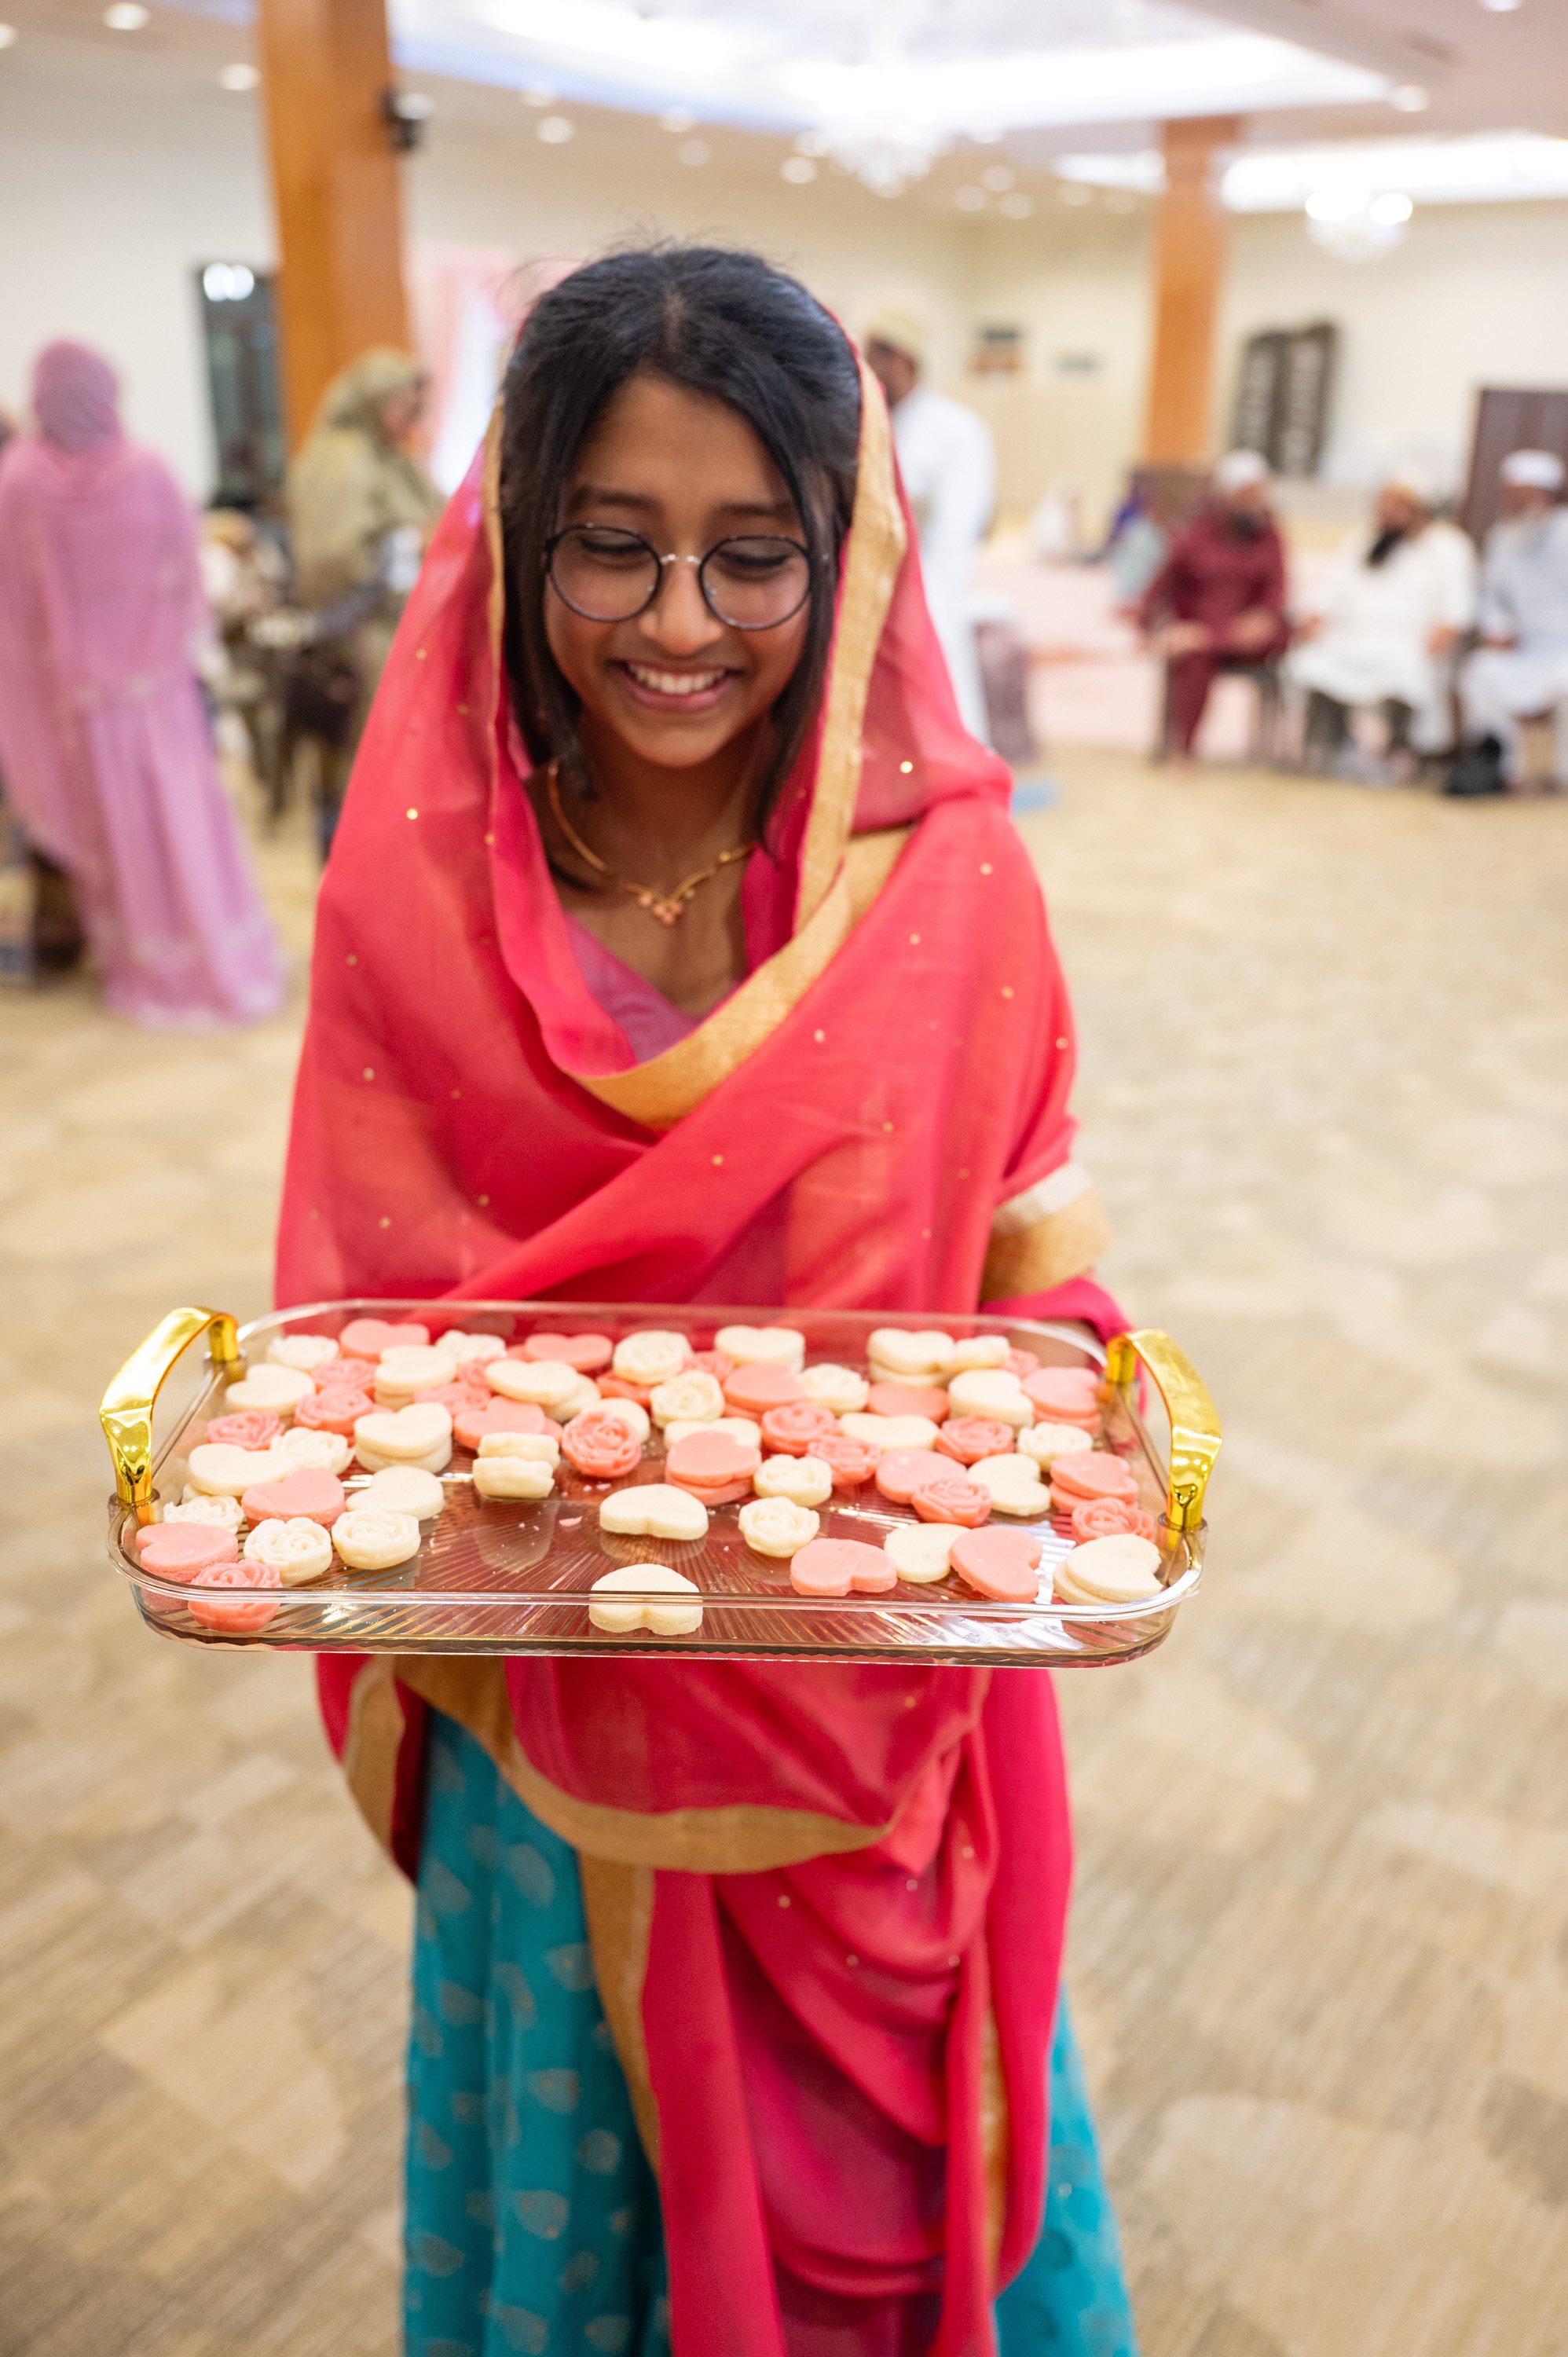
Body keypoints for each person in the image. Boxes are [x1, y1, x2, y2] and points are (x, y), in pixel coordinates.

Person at [278, 245, 1138, 2357]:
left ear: (846, 564)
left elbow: (1027, 1283)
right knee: (579, 2202)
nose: (677, 624)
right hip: (552, 1694)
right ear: (516, 544)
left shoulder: (948, 885)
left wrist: (1077, 1433)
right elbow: (369, 1336)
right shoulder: (422, 884)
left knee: (887, 2201)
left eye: (752, 555)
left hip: (867, 1691)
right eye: (614, 544)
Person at [0, 341, 283, 1025]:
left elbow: (14, 612)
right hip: (157, 695)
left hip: (81, 706)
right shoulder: (142, 470)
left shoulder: (22, 481)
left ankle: (145, 962)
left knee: (122, 834)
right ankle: (192, 955)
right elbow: (186, 583)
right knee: (180, 823)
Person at [284, 347, 443, 849]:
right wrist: (410, 541)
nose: (413, 417)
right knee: (366, 759)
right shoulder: (342, 458)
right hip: (361, 634)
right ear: (375, 399)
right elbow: (334, 558)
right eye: (405, 404)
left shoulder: (391, 456)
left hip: (404, 627)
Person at [1288, 468, 1475, 781]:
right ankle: (1330, 748)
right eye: (1382, 502)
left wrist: (1446, 631)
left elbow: (1457, 605)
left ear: (1419, 509)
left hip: (1413, 643)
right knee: (1312, 662)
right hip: (1352, 638)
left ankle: (1398, 753)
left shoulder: (1449, 547)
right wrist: (1314, 615)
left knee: (1408, 672)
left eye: (1396, 504)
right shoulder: (1362, 541)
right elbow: (1329, 591)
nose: (1385, 510)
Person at [863, 307, 996, 742]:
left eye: (875, 357)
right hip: (868, 593)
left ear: (902, 359)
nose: (867, 369)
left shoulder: (955, 430)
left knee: (940, 711)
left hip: (930, 592)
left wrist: (927, 605)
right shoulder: (867, 424)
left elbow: (956, 532)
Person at [1136, 449, 1290, 762]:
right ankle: (1184, 751)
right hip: (1200, 632)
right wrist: (1147, 627)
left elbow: (1278, 592)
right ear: (1227, 495)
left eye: (1258, 495)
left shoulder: (1269, 538)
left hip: (1248, 637)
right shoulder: (1196, 536)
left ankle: (1200, 638)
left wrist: (1263, 617)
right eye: (1247, 495)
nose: (1254, 503)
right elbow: (1160, 585)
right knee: (1193, 656)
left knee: (1264, 634)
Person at [1456, 448, 1568, 791]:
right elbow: (1492, 597)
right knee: (1480, 673)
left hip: (1563, 648)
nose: (1517, 503)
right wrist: (1498, 629)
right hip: (1524, 648)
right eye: (1512, 495)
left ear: (1545, 495)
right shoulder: (1503, 537)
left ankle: (1561, 775)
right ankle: (1505, 769)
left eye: (1524, 495)